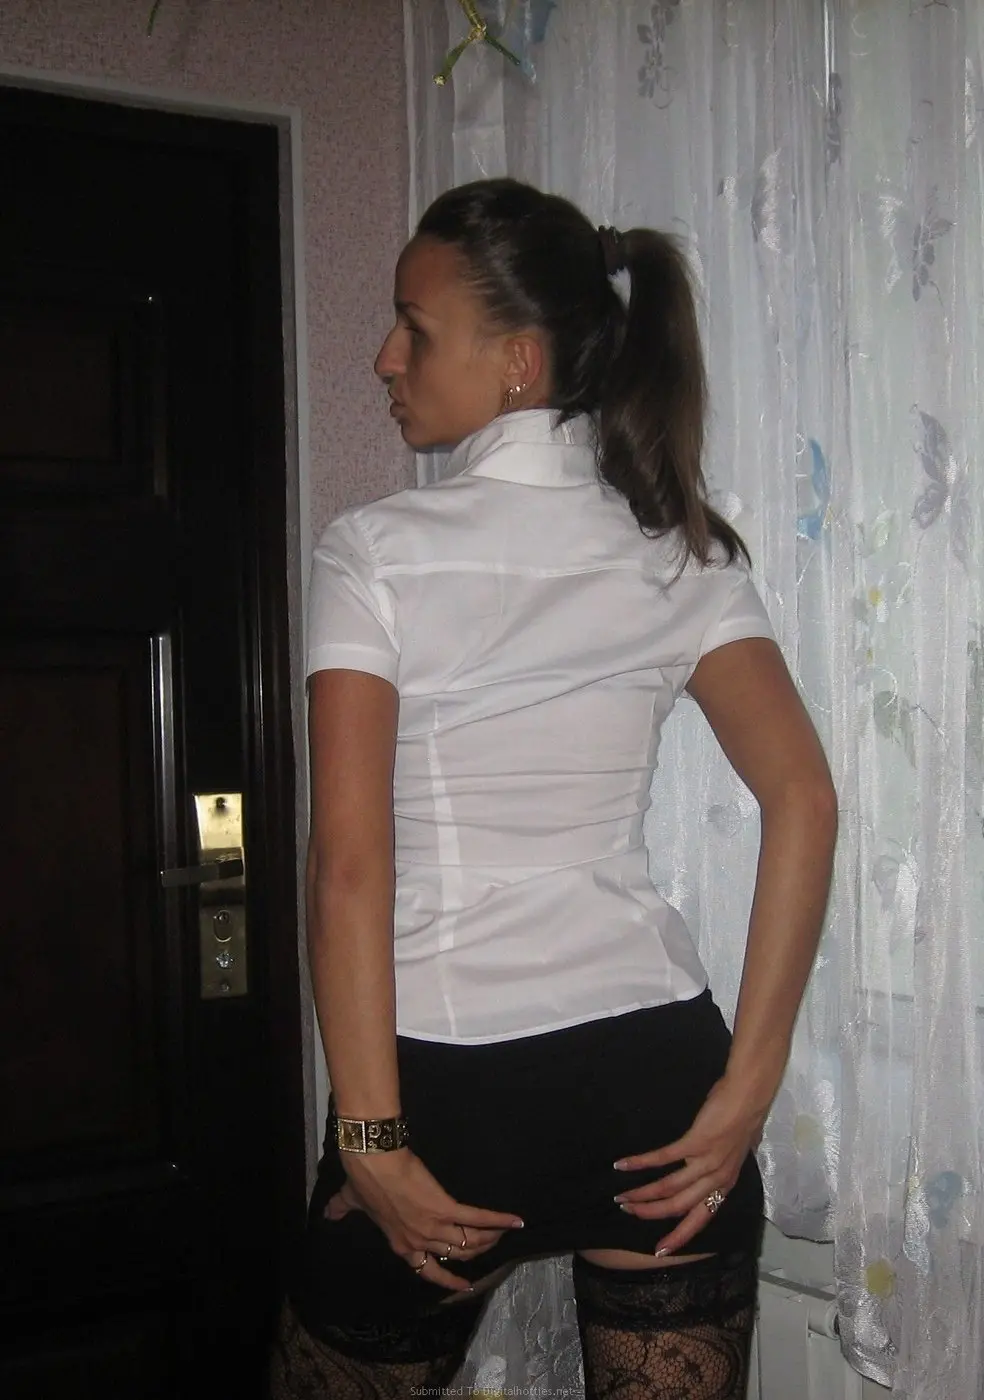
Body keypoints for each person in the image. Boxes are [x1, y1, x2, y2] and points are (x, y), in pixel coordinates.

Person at [270, 178, 837, 1400]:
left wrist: (369, 1134)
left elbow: (350, 866)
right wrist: (746, 1087)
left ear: (519, 361)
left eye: (414, 327)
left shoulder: (373, 552)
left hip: (440, 1087)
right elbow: (805, 795)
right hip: (654, 1075)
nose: (385, 357)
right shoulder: (680, 551)